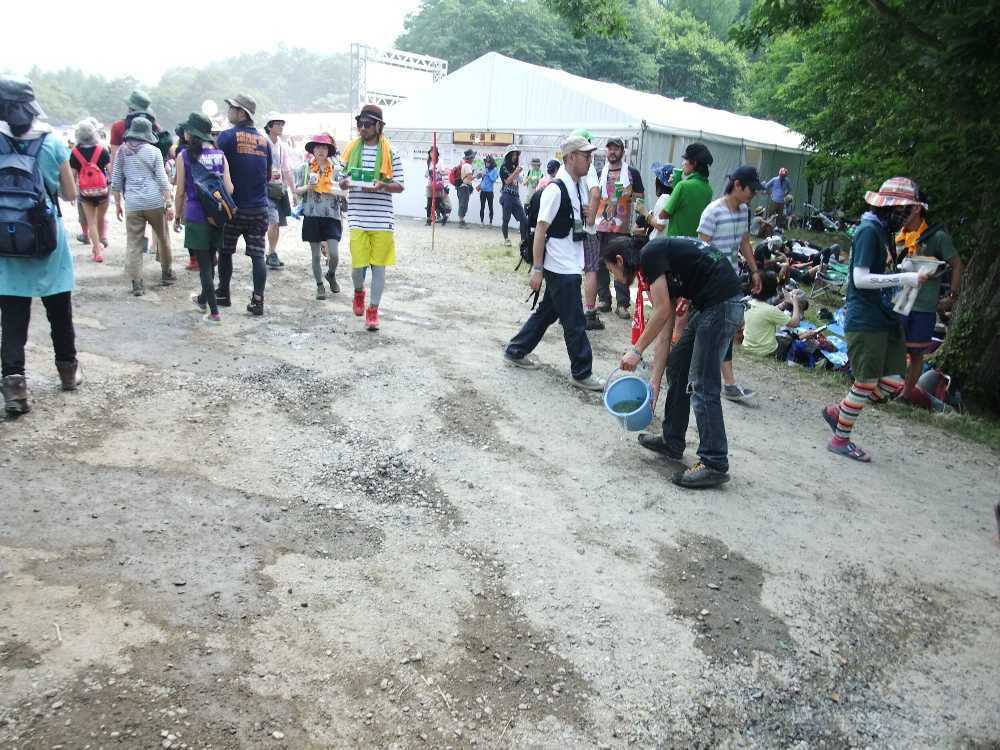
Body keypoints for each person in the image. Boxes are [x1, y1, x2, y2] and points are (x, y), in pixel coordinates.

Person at [603, 235, 746, 488]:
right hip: (710, 306)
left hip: (721, 304)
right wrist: (655, 385)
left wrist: (636, 351)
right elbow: (665, 325)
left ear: (620, 260)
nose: (613, 276)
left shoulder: (650, 256)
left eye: (611, 270)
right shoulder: (657, 264)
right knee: (678, 363)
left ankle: (714, 462)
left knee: (702, 382)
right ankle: (673, 440)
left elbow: (661, 313)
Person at [821, 177, 930, 462]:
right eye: (905, 211)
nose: (907, 217)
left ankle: (838, 412)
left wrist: (906, 267)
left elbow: (879, 271)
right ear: (891, 208)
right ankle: (840, 439)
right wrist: (903, 276)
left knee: (893, 381)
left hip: (884, 317)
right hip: (866, 317)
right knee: (867, 381)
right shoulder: (869, 230)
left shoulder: (881, 230)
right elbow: (860, 278)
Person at [0, 76, 82, 414]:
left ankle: (15, 388)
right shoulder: (51, 143)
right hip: (47, 237)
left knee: (13, 318)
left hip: (6, 239)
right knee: (58, 311)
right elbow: (70, 194)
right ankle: (67, 371)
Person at [503, 134, 604, 392]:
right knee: (575, 322)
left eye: (590, 155)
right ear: (570, 157)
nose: (589, 160)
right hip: (560, 267)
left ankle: (516, 350)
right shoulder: (555, 189)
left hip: (569, 263)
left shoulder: (577, 186)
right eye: (585, 156)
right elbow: (540, 230)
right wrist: (537, 269)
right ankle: (582, 372)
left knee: (547, 312)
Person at [697, 165, 765, 402]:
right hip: (712, 282)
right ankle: (710, 380)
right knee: (711, 330)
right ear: (737, 185)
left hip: (732, 279)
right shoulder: (712, 212)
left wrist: (755, 270)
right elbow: (701, 250)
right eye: (751, 190)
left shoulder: (743, 210)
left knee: (727, 328)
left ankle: (728, 383)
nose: (753, 195)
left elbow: (745, 242)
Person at [336, 104, 404, 332]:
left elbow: (400, 186)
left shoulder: (391, 152)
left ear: (378, 126)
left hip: (382, 219)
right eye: (359, 124)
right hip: (357, 216)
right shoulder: (350, 150)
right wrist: (343, 182)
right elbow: (340, 176)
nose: (362, 128)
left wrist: (383, 185)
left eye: (367, 124)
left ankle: (373, 311)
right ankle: (358, 292)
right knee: (358, 267)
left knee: (379, 268)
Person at [894, 189, 962, 405]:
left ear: (917, 208)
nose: (900, 210)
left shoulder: (937, 236)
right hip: (900, 300)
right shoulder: (900, 235)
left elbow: (957, 264)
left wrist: (951, 296)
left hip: (923, 306)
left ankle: (905, 396)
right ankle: (885, 386)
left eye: (906, 205)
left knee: (915, 353)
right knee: (893, 346)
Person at [173, 113, 233, 324]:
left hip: (196, 215)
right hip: (217, 215)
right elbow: (230, 188)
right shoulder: (220, 155)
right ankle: (202, 300)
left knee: (204, 266)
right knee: (211, 261)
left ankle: (214, 312)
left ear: (191, 133)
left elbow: (180, 191)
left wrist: (177, 216)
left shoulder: (184, 157)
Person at [216, 93, 271, 316]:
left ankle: (224, 294)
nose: (229, 111)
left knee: (226, 251)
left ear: (241, 113)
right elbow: (267, 176)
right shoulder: (264, 141)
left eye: (232, 108)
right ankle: (258, 300)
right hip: (259, 208)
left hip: (233, 209)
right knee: (258, 255)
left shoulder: (227, 138)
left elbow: (217, 172)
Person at [110, 117, 174, 296]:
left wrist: (117, 204)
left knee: (134, 243)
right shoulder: (154, 151)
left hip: (133, 203)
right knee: (163, 237)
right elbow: (162, 180)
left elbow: (116, 181)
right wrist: (168, 202)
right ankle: (167, 273)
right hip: (154, 202)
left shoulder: (121, 151)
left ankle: (137, 283)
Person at [595, 137, 645, 319]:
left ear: (623, 152)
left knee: (622, 264)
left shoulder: (632, 173)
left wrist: (639, 221)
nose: (612, 152)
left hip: (622, 228)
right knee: (600, 262)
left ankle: (622, 303)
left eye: (616, 149)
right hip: (601, 225)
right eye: (610, 149)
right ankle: (604, 299)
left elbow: (640, 197)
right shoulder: (600, 172)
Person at [298, 133, 343, 300]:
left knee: (334, 253)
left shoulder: (337, 170)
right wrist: (307, 188)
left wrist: (332, 188)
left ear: (329, 150)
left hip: (331, 215)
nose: (321, 150)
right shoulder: (305, 168)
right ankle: (319, 285)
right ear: (313, 150)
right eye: (318, 147)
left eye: (324, 147)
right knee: (316, 255)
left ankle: (331, 274)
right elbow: (296, 190)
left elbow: (345, 192)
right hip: (312, 215)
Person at [69, 120, 110, 263]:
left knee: (91, 222)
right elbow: (111, 171)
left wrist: (73, 193)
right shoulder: (102, 150)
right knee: (100, 218)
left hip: (85, 192)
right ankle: (99, 243)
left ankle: (97, 251)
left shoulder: (75, 152)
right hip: (103, 191)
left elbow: (72, 175)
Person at [742, 271, 806, 358]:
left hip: (747, 346)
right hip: (765, 351)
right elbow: (795, 323)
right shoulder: (769, 310)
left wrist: (783, 304)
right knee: (788, 340)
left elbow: (765, 313)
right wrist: (795, 303)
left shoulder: (749, 303)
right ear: (773, 292)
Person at [263, 112, 295, 270]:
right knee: (273, 221)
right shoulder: (263, 143)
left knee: (277, 223)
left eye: (282, 124)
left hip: (278, 189)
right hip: (266, 188)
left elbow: (287, 169)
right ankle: (270, 252)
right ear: (269, 126)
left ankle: (272, 252)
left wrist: (293, 190)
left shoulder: (282, 146)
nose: (281, 127)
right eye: (277, 124)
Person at [498, 145, 528, 247]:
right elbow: (507, 181)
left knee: (524, 219)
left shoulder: (516, 167)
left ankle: (523, 240)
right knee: (506, 219)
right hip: (506, 195)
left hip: (515, 196)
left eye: (516, 154)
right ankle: (506, 239)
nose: (515, 156)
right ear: (509, 155)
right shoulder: (503, 167)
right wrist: (516, 172)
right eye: (513, 154)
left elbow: (521, 181)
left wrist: (527, 179)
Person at [644, 162, 674, 241]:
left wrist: (644, 213)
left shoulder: (664, 198)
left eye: (657, 177)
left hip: (658, 243)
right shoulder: (672, 197)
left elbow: (660, 225)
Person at [456, 149, 475, 226]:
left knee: (462, 203)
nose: (473, 158)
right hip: (464, 187)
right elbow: (470, 178)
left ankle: (462, 220)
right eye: (473, 157)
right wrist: (478, 175)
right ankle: (461, 221)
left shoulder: (465, 165)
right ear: (470, 158)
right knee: (463, 204)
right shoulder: (467, 166)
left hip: (462, 187)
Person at [479, 155, 498, 224]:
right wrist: (481, 174)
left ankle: (490, 222)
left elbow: (493, 179)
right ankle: (481, 221)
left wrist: (487, 174)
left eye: (488, 162)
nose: (487, 163)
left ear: (491, 163)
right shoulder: (485, 169)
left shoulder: (495, 170)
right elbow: (480, 178)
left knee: (490, 206)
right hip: (483, 190)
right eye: (486, 162)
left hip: (490, 191)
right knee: (482, 206)